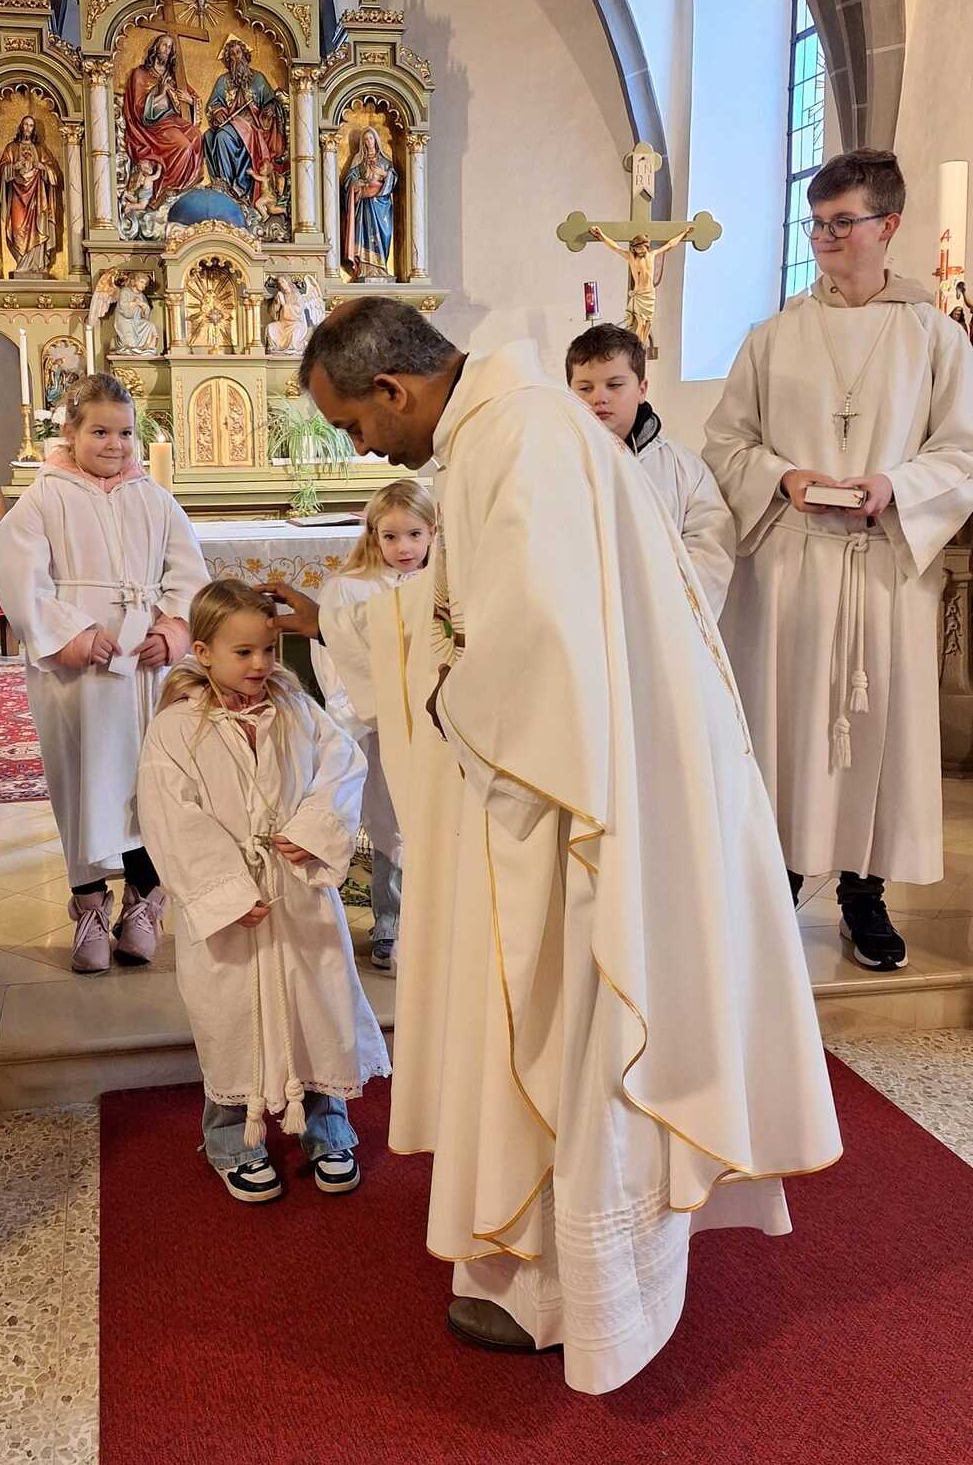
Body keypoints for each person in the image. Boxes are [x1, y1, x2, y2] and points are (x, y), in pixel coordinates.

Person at [264, 297, 841, 1396]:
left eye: (353, 424)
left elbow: (531, 653)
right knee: (557, 1030)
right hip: (587, 778)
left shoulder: (517, 437)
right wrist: (345, 621)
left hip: (569, 807)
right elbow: (479, 615)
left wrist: (405, 660)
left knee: (568, 1023)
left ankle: (572, 1290)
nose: (362, 448)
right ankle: (546, 1270)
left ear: (394, 388)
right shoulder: (516, 426)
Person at [703, 149, 973, 971]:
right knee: (784, 725)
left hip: (884, 564)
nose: (823, 237)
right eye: (816, 223)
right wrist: (784, 478)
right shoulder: (773, 336)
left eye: (841, 222)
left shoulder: (932, 336)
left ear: (887, 226)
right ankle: (775, 880)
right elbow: (725, 444)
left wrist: (894, 486)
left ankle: (863, 893)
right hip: (790, 565)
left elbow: (961, 452)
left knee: (874, 732)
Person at [137, 579, 390, 1203]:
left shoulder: (298, 711)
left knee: (320, 1008)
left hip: (299, 891)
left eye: (269, 650)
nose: (261, 664)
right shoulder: (175, 729)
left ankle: (328, 1126)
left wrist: (312, 830)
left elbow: (343, 766)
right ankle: (233, 1137)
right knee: (231, 1019)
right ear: (202, 651)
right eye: (244, 652)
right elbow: (171, 815)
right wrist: (225, 890)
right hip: (232, 912)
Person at [0, 375, 209, 974]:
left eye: (125, 432)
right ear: (71, 431)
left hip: (145, 669)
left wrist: (173, 629)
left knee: (150, 781)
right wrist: (75, 636)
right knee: (82, 778)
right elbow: (21, 581)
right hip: (78, 679)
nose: (115, 444)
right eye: (100, 432)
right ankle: (88, 904)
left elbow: (188, 572)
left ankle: (144, 899)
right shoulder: (44, 499)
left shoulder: (155, 500)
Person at [311, 479, 436, 972]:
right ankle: (389, 917)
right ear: (372, 536)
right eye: (391, 536)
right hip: (378, 729)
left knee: (427, 820)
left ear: (433, 533)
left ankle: (428, 922)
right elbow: (335, 663)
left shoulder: (444, 582)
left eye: (415, 535)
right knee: (389, 819)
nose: (404, 548)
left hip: (433, 727)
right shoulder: (348, 589)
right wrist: (368, 709)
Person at [566, 323, 735, 616]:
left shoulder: (684, 469)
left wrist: (659, 606)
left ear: (642, 389)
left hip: (661, 618)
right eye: (585, 388)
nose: (599, 398)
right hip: (583, 618)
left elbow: (711, 552)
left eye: (614, 385)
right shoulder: (557, 465)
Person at [202, 38, 287, 206]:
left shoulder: (258, 79)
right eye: (232, 55)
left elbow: (271, 101)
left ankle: (231, 185)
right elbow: (214, 104)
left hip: (253, 126)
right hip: (231, 123)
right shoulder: (223, 81)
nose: (236, 57)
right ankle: (222, 180)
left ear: (245, 54)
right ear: (228, 59)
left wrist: (268, 109)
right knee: (209, 136)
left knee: (222, 137)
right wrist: (218, 113)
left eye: (238, 52)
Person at [121, 34, 203, 204]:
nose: (166, 49)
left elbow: (192, 96)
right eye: (164, 45)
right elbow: (139, 109)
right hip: (151, 125)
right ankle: (167, 188)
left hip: (173, 120)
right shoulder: (141, 74)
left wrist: (190, 100)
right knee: (183, 145)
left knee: (196, 135)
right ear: (156, 47)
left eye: (170, 47)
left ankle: (186, 185)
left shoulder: (173, 77)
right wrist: (160, 93)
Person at [0, 116, 58, 276]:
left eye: (31, 125)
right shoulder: (11, 148)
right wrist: (14, 166)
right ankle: (22, 263)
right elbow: (1, 170)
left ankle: (36, 265)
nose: (28, 128)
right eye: (25, 124)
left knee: (38, 226)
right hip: (17, 196)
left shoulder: (40, 149)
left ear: (33, 129)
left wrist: (41, 166)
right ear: (21, 126)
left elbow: (52, 174)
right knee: (17, 228)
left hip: (36, 195)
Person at [343, 127, 397, 281]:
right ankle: (365, 269)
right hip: (365, 205)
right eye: (365, 139)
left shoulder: (385, 161)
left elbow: (393, 179)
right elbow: (349, 181)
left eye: (371, 138)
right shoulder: (359, 161)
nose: (368, 142)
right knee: (365, 234)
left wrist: (384, 174)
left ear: (376, 140)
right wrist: (356, 184)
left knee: (384, 234)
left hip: (381, 206)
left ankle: (381, 268)